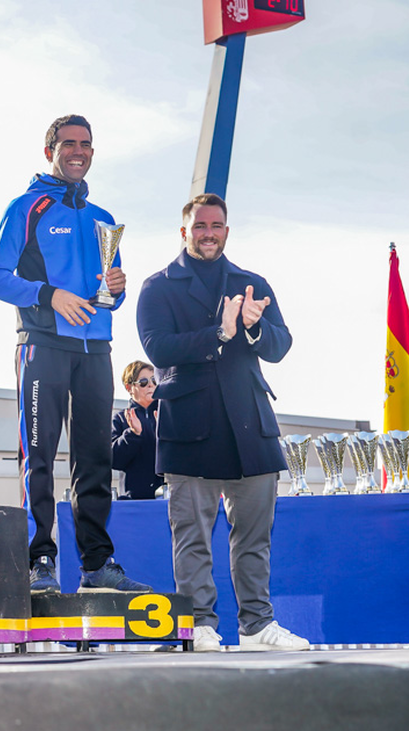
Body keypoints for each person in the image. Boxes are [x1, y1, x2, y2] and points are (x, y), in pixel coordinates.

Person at [0, 114, 151, 594]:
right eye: (67, 143)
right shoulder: (27, 208)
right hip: (42, 346)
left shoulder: (102, 219)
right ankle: (40, 562)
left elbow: (109, 290)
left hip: (96, 349)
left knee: (95, 459)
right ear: (50, 151)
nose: (77, 151)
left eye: (86, 144)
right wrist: (48, 295)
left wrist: (117, 289)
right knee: (38, 456)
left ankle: (98, 565)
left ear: (93, 152)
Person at [136, 193, 310, 652]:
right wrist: (219, 333)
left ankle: (257, 626)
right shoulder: (158, 287)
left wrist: (253, 327)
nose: (208, 233)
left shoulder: (252, 283)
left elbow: (280, 345)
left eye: (215, 226)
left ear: (226, 231)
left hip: (250, 425)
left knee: (255, 539)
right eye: (199, 226)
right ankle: (198, 625)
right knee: (192, 538)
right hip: (189, 426)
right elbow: (158, 349)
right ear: (184, 231)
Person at [111, 360, 162, 500]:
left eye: (154, 380)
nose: (151, 385)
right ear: (129, 387)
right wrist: (133, 434)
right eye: (143, 382)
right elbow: (113, 459)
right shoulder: (121, 419)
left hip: (168, 498)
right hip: (133, 501)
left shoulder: (169, 413)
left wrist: (164, 434)